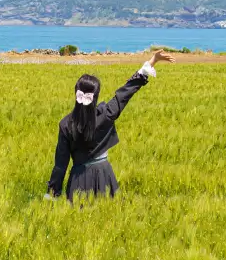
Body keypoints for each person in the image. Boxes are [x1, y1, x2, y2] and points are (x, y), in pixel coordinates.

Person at [45, 49, 174, 202]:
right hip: (104, 176)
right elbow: (124, 94)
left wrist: (52, 195)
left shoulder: (65, 124)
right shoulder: (106, 114)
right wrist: (152, 61)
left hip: (79, 180)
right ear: (96, 96)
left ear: (76, 94)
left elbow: (60, 165)